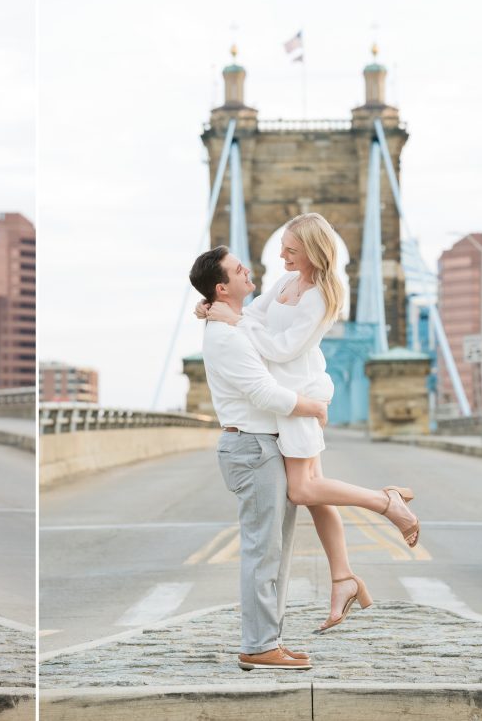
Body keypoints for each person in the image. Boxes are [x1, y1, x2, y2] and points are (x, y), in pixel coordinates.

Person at [198, 213, 420, 632]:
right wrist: (220, 309)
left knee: (303, 489)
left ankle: (386, 502)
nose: (281, 255)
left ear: (313, 250)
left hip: (301, 394)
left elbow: (281, 349)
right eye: (281, 246)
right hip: (289, 399)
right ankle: (343, 580)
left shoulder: (321, 295)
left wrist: (237, 321)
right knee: (316, 494)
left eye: (290, 249)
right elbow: (255, 316)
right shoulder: (285, 283)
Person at [189, 245, 329, 671]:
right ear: (221, 287)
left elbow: (273, 324)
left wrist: (213, 309)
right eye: (237, 269)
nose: (248, 269)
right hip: (252, 447)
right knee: (262, 552)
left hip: (262, 445)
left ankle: (269, 641)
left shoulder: (237, 324)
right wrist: (314, 407)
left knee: (275, 552)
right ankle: (258, 644)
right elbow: (263, 392)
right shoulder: (227, 335)